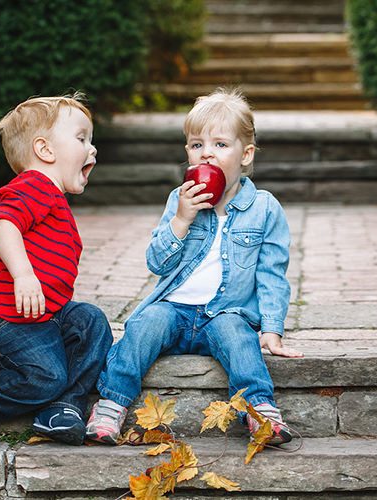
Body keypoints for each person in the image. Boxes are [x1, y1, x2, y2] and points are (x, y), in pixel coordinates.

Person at [86, 88, 303, 446]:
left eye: (220, 145)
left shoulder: (264, 209)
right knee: (142, 326)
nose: (206, 153)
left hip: (226, 313)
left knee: (240, 339)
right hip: (175, 310)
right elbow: (157, 262)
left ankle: (262, 411)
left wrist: (272, 329)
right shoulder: (180, 199)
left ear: (245, 155)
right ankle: (111, 404)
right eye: (196, 144)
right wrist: (181, 221)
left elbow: (271, 275)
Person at [0, 93, 112, 448]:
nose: (92, 150)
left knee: (91, 321)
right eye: (81, 139)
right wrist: (23, 274)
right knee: (46, 375)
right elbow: (3, 223)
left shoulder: (53, 199)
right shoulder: (36, 185)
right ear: (45, 150)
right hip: (0, 318)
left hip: (43, 316)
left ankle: (63, 408)